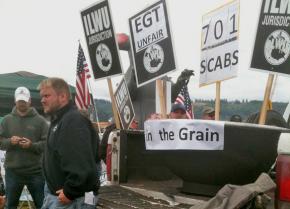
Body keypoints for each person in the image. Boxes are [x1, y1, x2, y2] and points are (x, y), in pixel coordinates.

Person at [38, 77, 99, 209]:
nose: (42, 100)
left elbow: (81, 161)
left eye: (47, 96)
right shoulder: (61, 120)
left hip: (74, 200)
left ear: (63, 96)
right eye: (42, 96)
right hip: (64, 197)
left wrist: (70, 191)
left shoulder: (73, 121)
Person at [0, 86, 48, 209]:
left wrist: (31, 146)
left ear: (30, 101)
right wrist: (10, 141)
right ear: (15, 101)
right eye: (20, 100)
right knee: (10, 205)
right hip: (13, 172)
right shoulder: (6, 120)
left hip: (36, 172)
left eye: (24, 101)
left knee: (42, 205)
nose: (22, 103)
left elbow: (47, 144)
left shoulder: (41, 121)